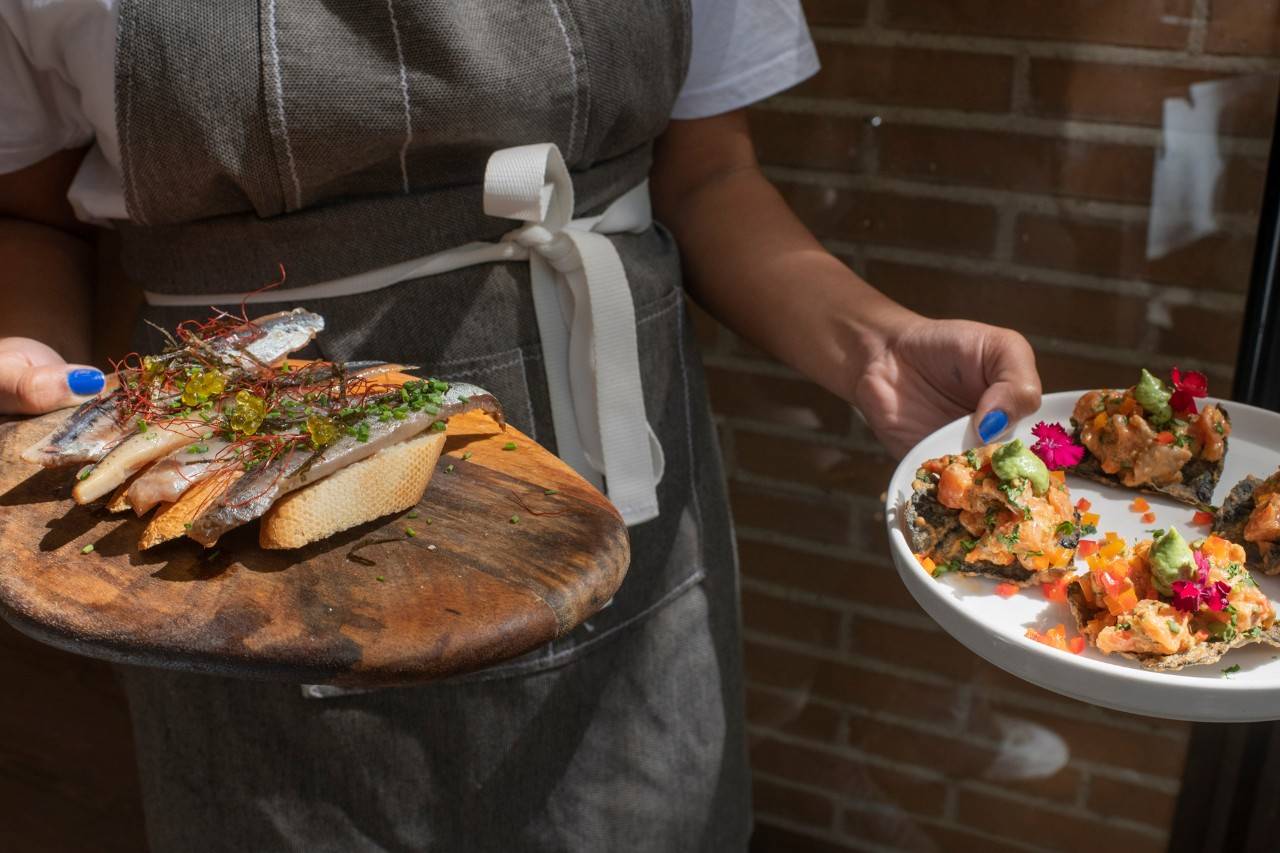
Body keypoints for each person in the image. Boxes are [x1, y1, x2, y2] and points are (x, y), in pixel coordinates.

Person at [0, 1, 1041, 850]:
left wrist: (874, 346)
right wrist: (34, 366)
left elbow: (708, 172)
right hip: (236, 521)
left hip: (625, 483)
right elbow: (29, 212)